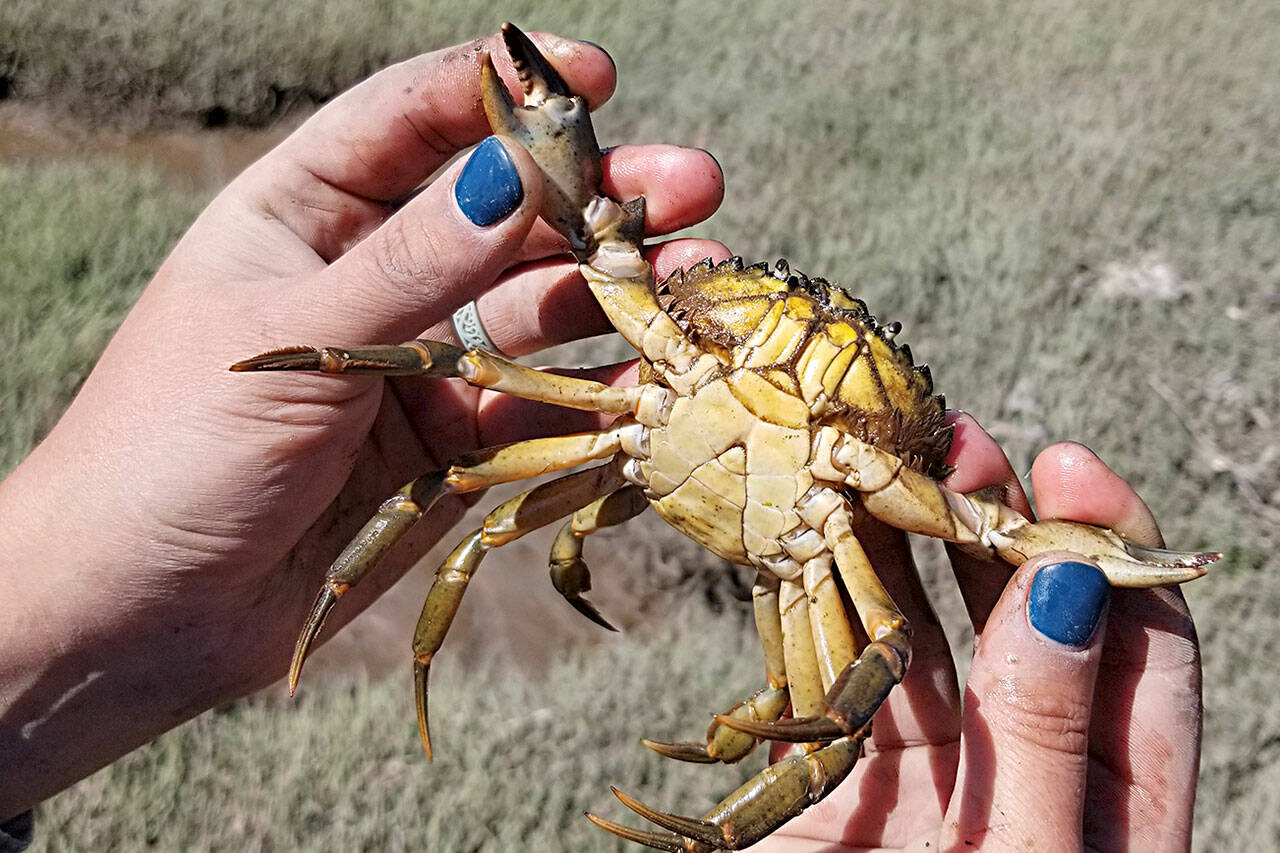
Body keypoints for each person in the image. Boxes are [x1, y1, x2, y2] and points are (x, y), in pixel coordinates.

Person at [0, 28, 1200, 851]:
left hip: (812, 528)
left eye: (844, 339)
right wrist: (336, 348)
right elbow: (481, 345)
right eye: (790, 306)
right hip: (685, 436)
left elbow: (970, 538)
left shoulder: (856, 499)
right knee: (465, 491)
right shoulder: (668, 336)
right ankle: (409, 659)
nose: (810, 337)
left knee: (843, 698)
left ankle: (717, 823)